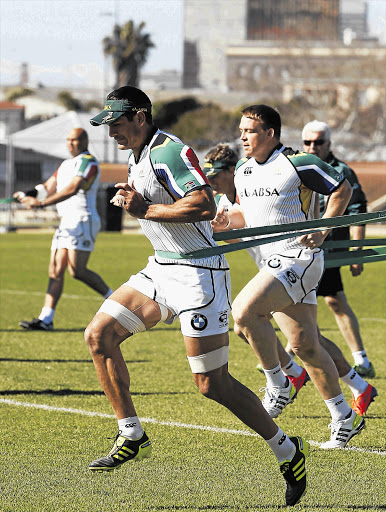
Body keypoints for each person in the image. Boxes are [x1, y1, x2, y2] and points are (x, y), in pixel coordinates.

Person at [85, 86, 309, 507]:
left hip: (199, 275)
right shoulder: (137, 155)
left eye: (117, 122)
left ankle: (288, 450)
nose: (112, 131)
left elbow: (204, 204)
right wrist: (140, 204)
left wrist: (143, 209)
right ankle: (132, 435)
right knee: (99, 335)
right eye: (108, 124)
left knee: (212, 384)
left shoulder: (168, 151)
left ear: (139, 116)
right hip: (163, 266)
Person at [211, 105, 365, 449]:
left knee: (244, 312)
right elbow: (246, 217)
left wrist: (323, 229)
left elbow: (343, 190)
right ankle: (344, 417)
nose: (242, 137)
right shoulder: (242, 171)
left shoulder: (299, 163)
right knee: (304, 345)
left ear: (270, 134)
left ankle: (279, 382)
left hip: (300, 258)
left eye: (249, 131)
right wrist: (227, 222)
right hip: (272, 263)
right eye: (240, 130)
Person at [14, 128, 113, 330]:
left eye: (75, 140)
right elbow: (46, 187)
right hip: (66, 221)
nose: (71, 144)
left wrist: (41, 204)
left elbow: (73, 188)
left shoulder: (89, 162)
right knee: (55, 270)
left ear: (84, 141)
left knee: (77, 271)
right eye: (68, 140)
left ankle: (117, 302)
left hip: (83, 219)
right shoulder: (65, 165)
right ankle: (46, 319)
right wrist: (26, 194)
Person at [301, 120, 375, 378]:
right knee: (299, 301)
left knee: (330, 300)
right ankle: (286, 356)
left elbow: (357, 212)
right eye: (308, 142)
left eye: (319, 142)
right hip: (300, 249)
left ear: (329, 144)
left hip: (328, 251)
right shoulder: (296, 167)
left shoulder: (342, 171)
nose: (313, 147)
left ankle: (361, 360)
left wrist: (356, 252)